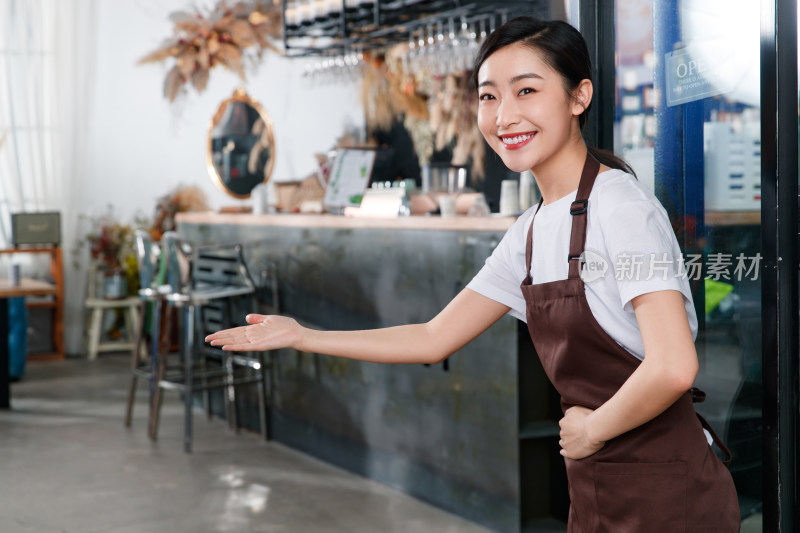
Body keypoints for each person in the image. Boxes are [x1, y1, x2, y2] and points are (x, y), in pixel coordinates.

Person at [206, 16, 740, 531]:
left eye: (526, 91)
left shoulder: (620, 206)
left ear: (580, 96)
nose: (504, 116)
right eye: (489, 96)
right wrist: (303, 336)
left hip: (669, 495)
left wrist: (592, 428)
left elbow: (673, 365)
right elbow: (432, 337)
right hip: (598, 487)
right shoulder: (528, 233)